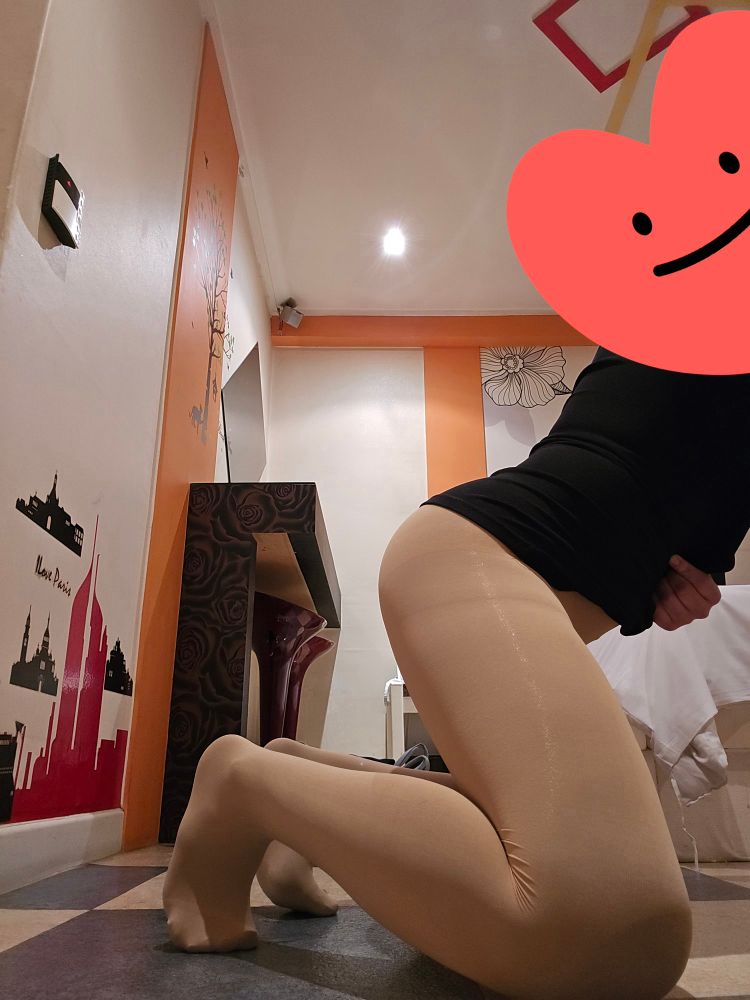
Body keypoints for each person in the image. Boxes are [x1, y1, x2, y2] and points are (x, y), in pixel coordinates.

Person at [163, 346, 749, 1000]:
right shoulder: (707, 309)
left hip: (525, 583)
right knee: (613, 930)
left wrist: (672, 577)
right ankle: (242, 783)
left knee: (596, 905)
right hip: (480, 557)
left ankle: (297, 787)